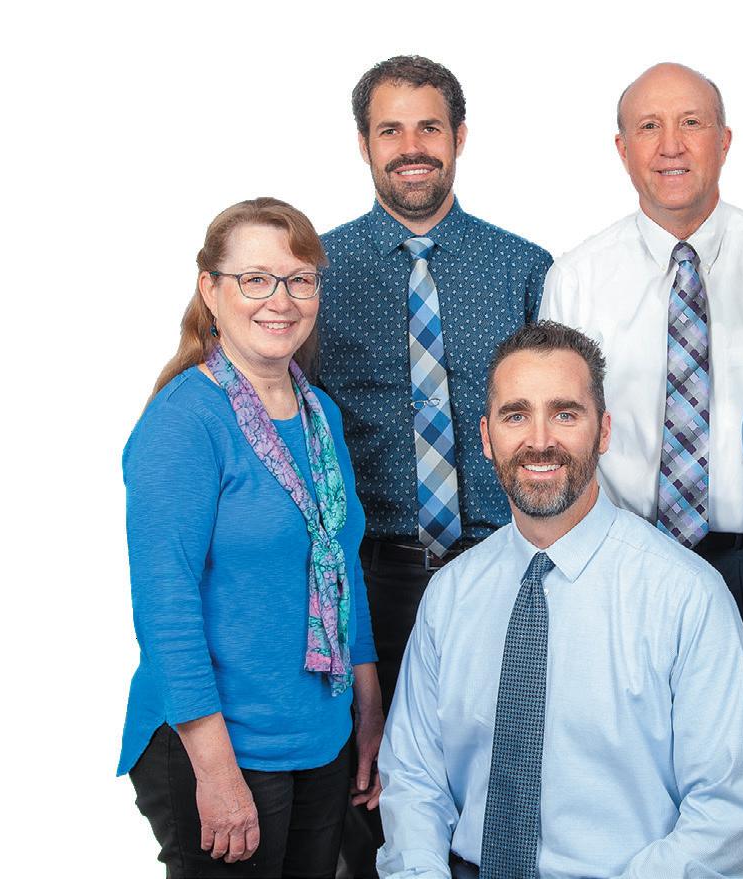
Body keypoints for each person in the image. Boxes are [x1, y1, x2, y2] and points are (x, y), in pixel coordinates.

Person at [378, 322, 743, 877]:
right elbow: (415, 780)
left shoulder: (687, 597)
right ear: (487, 437)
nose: (540, 441)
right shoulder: (450, 595)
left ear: (603, 430)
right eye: (516, 415)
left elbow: (726, 816)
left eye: (565, 414)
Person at [314, 55, 552, 872]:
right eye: (391, 130)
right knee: (371, 793)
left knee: (504, 778)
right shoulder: (317, 274)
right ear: (364, 143)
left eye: (428, 127)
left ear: (459, 137)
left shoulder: (524, 267)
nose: (411, 147)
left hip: (500, 568)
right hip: (370, 581)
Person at [118, 198, 382, 877]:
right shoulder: (184, 422)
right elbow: (166, 608)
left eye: (299, 279)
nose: (281, 300)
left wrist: (369, 710)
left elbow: (342, 564)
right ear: (211, 289)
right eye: (255, 279)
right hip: (221, 747)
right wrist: (215, 771)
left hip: (321, 739)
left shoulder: (320, 414)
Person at [540, 62, 743, 635]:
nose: (671, 145)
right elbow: (557, 435)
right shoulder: (577, 279)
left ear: (724, 141)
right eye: (649, 126)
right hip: (622, 560)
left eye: (692, 123)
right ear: (623, 149)